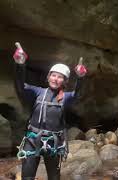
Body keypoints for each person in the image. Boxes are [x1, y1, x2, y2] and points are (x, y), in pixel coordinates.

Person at [13, 43, 87, 180]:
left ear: (64, 81)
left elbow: (79, 95)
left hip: (54, 142)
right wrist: (20, 65)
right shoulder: (37, 92)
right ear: (48, 77)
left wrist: (81, 78)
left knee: (54, 177)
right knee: (27, 177)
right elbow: (20, 88)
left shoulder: (66, 97)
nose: (56, 79)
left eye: (60, 77)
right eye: (53, 75)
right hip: (32, 139)